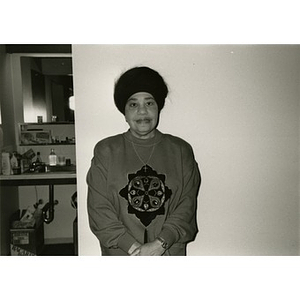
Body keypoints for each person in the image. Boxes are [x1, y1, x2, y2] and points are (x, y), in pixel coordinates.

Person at [87, 66, 201, 256]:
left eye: (149, 103)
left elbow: (186, 206)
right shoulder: (106, 151)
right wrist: (134, 249)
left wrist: (160, 244)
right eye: (133, 104)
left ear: (158, 107)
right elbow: (99, 209)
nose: (142, 111)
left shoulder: (181, 151)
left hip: (168, 253)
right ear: (124, 110)